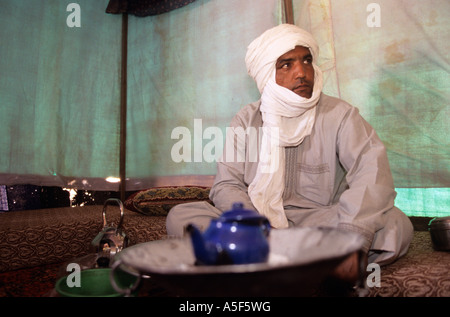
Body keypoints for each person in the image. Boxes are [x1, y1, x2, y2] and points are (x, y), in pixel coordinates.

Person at [166, 24, 413, 283]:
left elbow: (371, 174)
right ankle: (304, 261)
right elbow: (227, 184)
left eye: (307, 60)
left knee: (395, 224)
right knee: (183, 216)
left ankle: (262, 261)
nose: (302, 72)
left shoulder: (340, 115)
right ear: (266, 74)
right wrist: (257, 227)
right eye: (287, 64)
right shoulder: (246, 119)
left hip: (322, 222)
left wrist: (352, 236)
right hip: (258, 224)